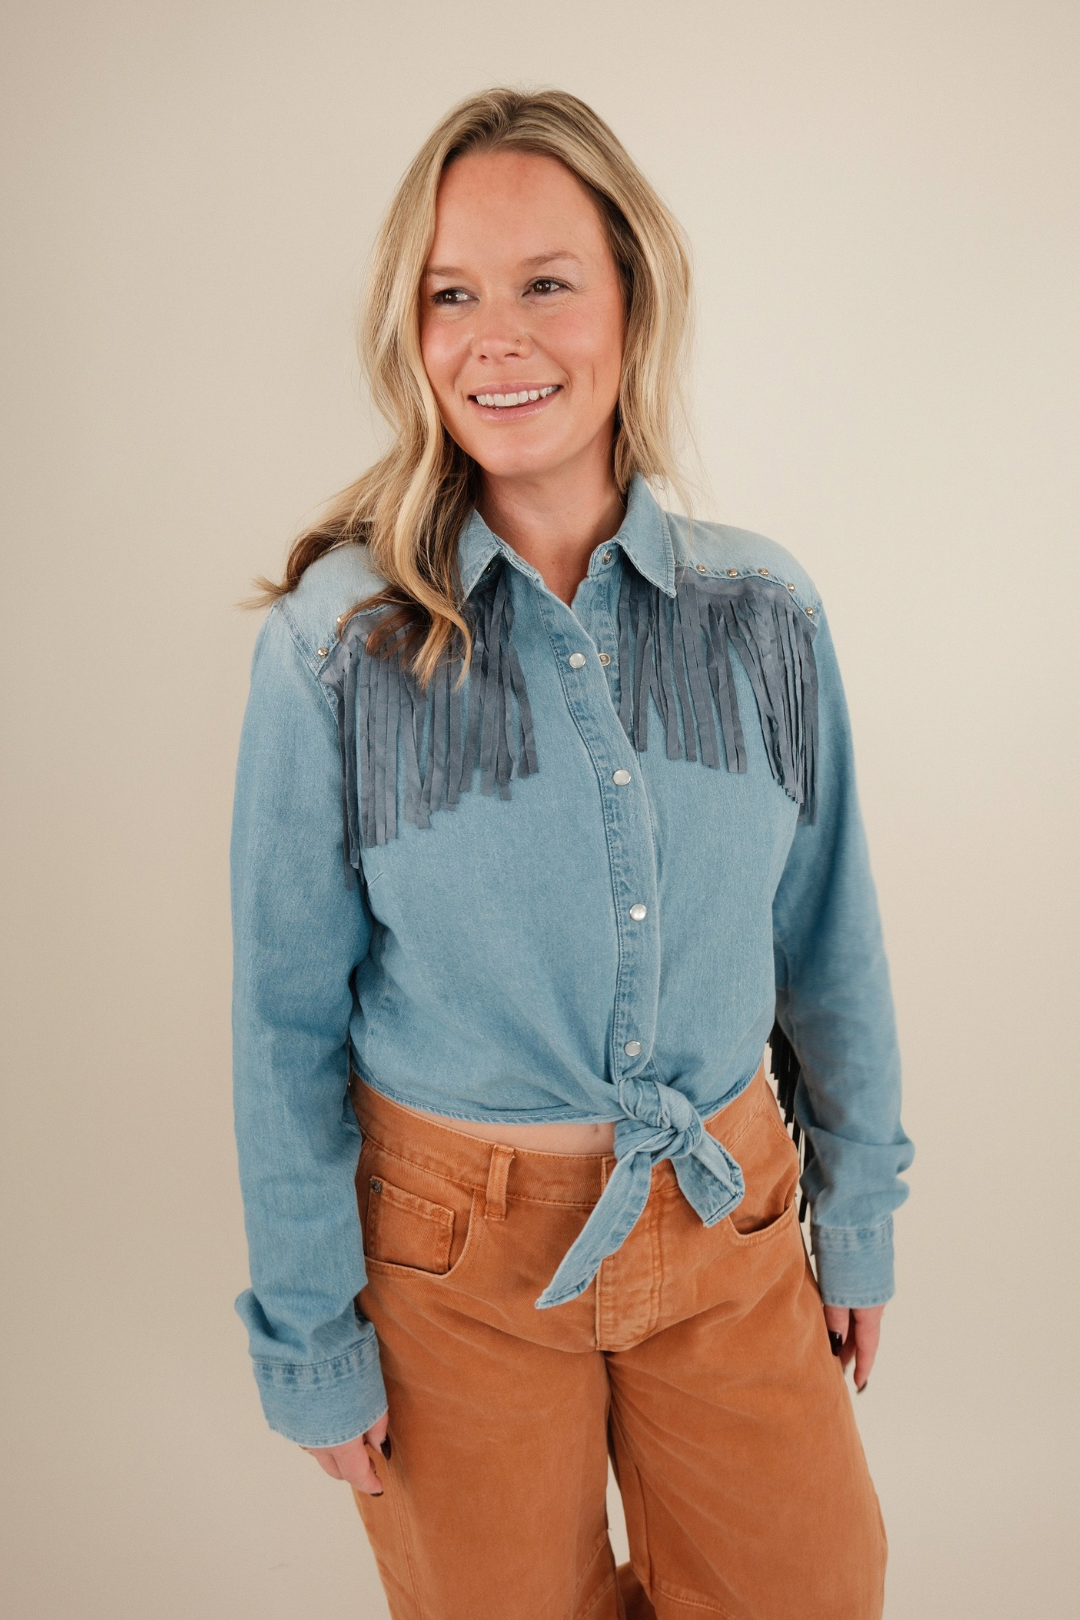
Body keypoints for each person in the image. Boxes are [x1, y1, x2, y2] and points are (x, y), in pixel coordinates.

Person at [229, 85, 915, 1620]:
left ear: (629, 300)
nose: (499, 336)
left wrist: (856, 1216)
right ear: (411, 332)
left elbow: (829, 945)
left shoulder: (766, 619)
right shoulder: (338, 651)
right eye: (453, 293)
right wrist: (310, 1333)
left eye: (548, 282)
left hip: (728, 1218)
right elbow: (285, 1024)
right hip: (448, 1266)